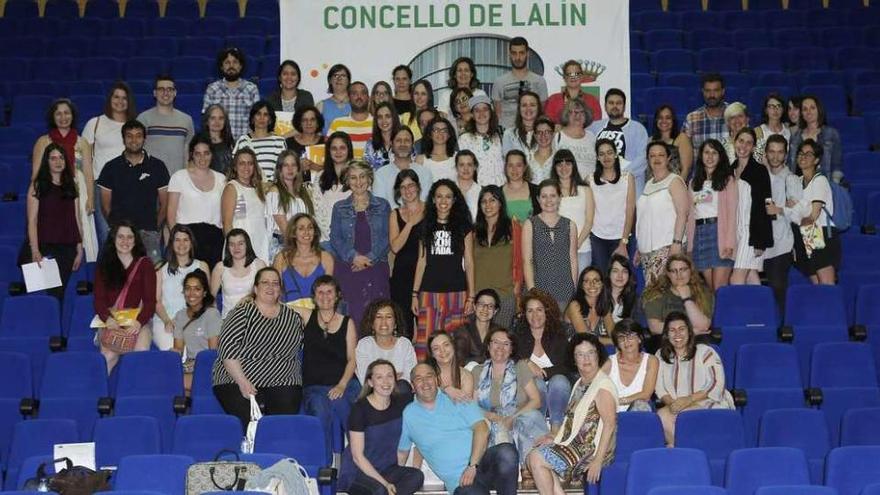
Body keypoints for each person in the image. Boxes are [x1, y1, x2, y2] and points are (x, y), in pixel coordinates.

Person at [398, 363, 518, 495]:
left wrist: (472, 466)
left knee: (507, 452)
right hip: (460, 481)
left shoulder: (456, 398)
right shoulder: (408, 415)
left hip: (480, 464)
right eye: (419, 378)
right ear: (412, 385)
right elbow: (403, 452)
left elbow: (482, 429)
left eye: (429, 376)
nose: (425, 382)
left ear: (437, 380)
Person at [212, 267, 305, 429]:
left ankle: (276, 451)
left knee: (281, 422)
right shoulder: (241, 313)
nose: (270, 287)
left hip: (282, 379)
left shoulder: (293, 317)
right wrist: (242, 382)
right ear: (256, 288)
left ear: (280, 289)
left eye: (275, 283)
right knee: (250, 421)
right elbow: (227, 350)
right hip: (237, 377)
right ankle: (251, 451)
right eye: (265, 282)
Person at [528, 333, 617, 491]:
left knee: (537, 459)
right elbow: (572, 422)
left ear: (598, 356)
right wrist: (554, 438)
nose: (586, 359)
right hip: (574, 444)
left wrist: (597, 460)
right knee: (533, 455)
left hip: (589, 449)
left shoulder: (602, 385)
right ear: (574, 360)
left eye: (591, 353)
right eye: (580, 355)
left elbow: (610, 425)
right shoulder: (580, 383)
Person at [471, 327, 548, 487]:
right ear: (488, 346)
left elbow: (536, 400)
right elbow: (472, 406)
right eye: (496, 342)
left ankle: (529, 463)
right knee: (496, 427)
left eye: (506, 344)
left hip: (517, 418)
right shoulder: (478, 371)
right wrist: (494, 417)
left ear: (512, 349)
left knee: (532, 416)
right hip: (491, 420)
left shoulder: (520, 367)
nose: (500, 347)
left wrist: (512, 417)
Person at [412, 179, 475, 361]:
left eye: (448, 197)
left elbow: (469, 262)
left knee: (455, 343)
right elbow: (421, 261)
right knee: (426, 343)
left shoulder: (464, 226)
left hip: (457, 293)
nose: (443, 201)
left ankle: (454, 384)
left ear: (454, 200)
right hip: (429, 293)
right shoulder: (425, 227)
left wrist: (471, 296)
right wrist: (414, 294)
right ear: (433, 199)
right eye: (439, 196)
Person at [339, 359, 424, 495]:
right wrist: (385, 483)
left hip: (387, 469)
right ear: (370, 382)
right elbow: (357, 457)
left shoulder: (401, 402)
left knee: (416, 476)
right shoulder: (359, 410)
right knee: (380, 490)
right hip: (358, 473)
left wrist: (449, 390)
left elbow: (427, 393)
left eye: (389, 376)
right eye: (379, 377)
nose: (386, 382)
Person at [297, 274, 360, 453]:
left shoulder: (347, 323)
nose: (325, 296)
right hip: (315, 386)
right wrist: (249, 298)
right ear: (314, 297)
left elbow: (352, 359)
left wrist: (341, 385)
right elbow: (275, 305)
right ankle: (324, 468)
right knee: (319, 410)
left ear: (338, 295)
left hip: (345, 383)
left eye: (329, 292)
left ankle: (357, 461)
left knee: (347, 409)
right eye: (320, 292)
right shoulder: (306, 316)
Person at [31, 99, 97, 262]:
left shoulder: (82, 142)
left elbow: (88, 172)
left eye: (67, 113)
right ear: (52, 117)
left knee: (79, 227)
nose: (63, 117)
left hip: (77, 190)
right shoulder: (43, 141)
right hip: (51, 190)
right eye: (58, 113)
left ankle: (80, 264)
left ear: (72, 116)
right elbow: (36, 172)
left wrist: (90, 198)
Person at [655, 312, 734, 446]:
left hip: (706, 403)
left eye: (682, 329)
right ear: (666, 335)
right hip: (676, 406)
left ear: (689, 332)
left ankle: (685, 450)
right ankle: (683, 450)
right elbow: (659, 388)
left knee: (685, 416)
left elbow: (716, 384)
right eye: (672, 330)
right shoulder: (660, 356)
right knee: (661, 415)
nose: (677, 334)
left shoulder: (705, 352)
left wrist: (689, 400)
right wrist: (672, 404)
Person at [97, 119, 169, 263]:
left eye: (138, 135)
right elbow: (105, 205)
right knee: (117, 279)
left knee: (152, 279)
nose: (134, 140)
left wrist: (154, 227)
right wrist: (116, 227)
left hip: (148, 234)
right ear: (123, 139)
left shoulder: (157, 166)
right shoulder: (110, 167)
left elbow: (165, 203)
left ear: (144, 138)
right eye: (129, 136)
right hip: (120, 235)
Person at [331, 161, 391, 326]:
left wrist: (368, 259)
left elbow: (388, 237)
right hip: (349, 269)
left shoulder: (383, 205)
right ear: (347, 181)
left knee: (378, 318)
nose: (358, 182)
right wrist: (354, 257)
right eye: (353, 178)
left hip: (376, 267)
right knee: (351, 319)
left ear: (369, 178)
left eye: (362, 176)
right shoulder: (339, 207)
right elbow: (335, 238)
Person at [94, 221, 156, 372]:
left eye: (129, 237)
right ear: (113, 240)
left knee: (140, 353)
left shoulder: (145, 264)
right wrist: (108, 319)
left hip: (137, 320)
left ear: (135, 241)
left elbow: (150, 302)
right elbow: (99, 300)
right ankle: (103, 394)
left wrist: (139, 322)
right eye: (120, 237)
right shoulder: (103, 265)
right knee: (108, 355)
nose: (125, 241)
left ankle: (134, 393)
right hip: (111, 320)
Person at [25, 143, 84, 301]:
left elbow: (76, 218)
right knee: (47, 296)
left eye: (61, 157)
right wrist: (35, 250)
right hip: (45, 247)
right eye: (53, 158)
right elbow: (32, 221)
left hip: (67, 247)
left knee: (60, 294)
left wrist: (79, 247)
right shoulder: (37, 186)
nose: (58, 161)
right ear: (47, 162)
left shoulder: (72, 185)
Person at [83, 82, 137, 243]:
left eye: (124, 98)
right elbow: (83, 159)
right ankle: (105, 269)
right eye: (116, 97)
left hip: (130, 186)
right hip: (101, 186)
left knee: (128, 238)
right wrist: (89, 193)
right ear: (109, 99)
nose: (120, 101)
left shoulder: (134, 126)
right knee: (106, 236)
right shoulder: (95, 123)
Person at [780, 138, 839, 284]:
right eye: (800, 153)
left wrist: (796, 208)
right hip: (804, 233)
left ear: (817, 160)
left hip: (820, 232)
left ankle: (832, 307)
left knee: (826, 284)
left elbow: (813, 214)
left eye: (808, 154)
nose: (803, 157)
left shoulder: (819, 180)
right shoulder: (796, 181)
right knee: (815, 282)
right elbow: (792, 214)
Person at [514, 289, 573, 435]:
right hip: (530, 390)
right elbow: (510, 359)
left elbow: (567, 365)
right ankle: (538, 429)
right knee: (536, 383)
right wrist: (526, 362)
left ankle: (555, 429)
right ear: (524, 314)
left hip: (558, 386)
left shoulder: (559, 333)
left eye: (539, 310)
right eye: (530, 311)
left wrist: (543, 373)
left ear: (546, 311)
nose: (535, 315)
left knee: (559, 380)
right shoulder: (518, 334)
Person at [167, 134, 226, 268]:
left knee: (210, 284)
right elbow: (170, 215)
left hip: (214, 240)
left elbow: (225, 215)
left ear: (212, 154)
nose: (202, 158)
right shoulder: (179, 177)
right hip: (187, 239)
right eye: (198, 153)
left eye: (206, 153)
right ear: (192, 155)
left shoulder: (222, 179)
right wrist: (177, 242)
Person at [636, 142, 690, 285]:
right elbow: (644, 218)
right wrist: (639, 248)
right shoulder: (648, 184)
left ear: (668, 158)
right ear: (647, 159)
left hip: (667, 248)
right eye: (652, 155)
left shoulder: (675, 181)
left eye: (661, 155)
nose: (656, 158)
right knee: (654, 295)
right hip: (647, 251)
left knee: (663, 294)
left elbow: (683, 214)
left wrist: (677, 244)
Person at [687, 139, 738, 290]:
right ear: (701, 156)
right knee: (712, 290)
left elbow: (732, 214)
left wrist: (729, 243)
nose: (710, 156)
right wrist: (690, 246)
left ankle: (726, 314)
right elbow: (690, 217)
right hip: (700, 236)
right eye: (706, 152)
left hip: (719, 234)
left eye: (714, 153)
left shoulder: (728, 180)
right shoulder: (693, 183)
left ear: (720, 156)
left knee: (719, 289)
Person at [152, 224, 210, 350]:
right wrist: (167, 320)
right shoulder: (161, 269)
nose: (181, 244)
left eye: (185, 240)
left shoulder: (202, 266)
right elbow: (156, 301)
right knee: (176, 352)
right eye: (177, 240)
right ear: (171, 243)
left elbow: (207, 299)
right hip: (166, 321)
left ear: (191, 243)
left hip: (195, 319)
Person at [523, 180, 577, 311]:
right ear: (538, 199)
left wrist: (574, 288)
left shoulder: (570, 225)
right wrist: (532, 291)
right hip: (539, 288)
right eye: (544, 196)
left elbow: (573, 259)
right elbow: (527, 260)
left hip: (564, 288)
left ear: (559, 197)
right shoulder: (530, 224)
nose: (548, 200)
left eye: (553, 195)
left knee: (563, 329)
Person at [473, 186, 523, 328]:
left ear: (500, 203)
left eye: (492, 200)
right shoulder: (474, 231)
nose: (488, 205)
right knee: (479, 343)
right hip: (479, 296)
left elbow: (521, 260)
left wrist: (517, 289)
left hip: (505, 295)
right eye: (484, 201)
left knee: (501, 341)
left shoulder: (513, 228)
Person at [730, 128, 774, 286]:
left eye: (749, 143)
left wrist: (760, 241)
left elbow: (766, 206)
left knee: (736, 280)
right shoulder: (730, 170)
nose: (744, 146)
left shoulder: (760, 171)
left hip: (752, 232)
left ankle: (736, 311)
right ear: (734, 142)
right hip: (736, 231)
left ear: (754, 147)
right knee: (751, 277)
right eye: (741, 141)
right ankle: (764, 309)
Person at [762, 135, 800, 312]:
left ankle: (782, 329)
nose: (775, 156)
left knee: (777, 288)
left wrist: (781, 209)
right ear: (766, 153)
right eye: (772, 152)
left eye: (779, 152)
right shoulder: (760, 177)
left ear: (785, 155)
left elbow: (800, 214)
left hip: (782, 243)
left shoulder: (791, 179)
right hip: (759, 241)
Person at [587, 88, 648, 196]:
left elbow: (642, 159)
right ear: (605, 106)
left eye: (618, 103)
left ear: (624, 106)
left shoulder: (638, 129)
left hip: (628, 187)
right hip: (601, 187)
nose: (615, 106)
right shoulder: (594, 128)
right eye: (611, 103)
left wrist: (617, 175)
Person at [388, 169, 425, 338]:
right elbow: (395, 247)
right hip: (401, 277)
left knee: (426, 327)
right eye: (403, 187)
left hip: (426, 274)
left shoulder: (430, 210)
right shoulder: (395, 214)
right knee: (405, 330)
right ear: (398, 191)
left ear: (418, 187)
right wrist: (410, 223)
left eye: (411, 185)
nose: (407, 190)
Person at [590, 139, 635, 273]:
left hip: (621, 237)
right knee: (601, 277)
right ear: (597, 157)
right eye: (602, 154)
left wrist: (624, 241)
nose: (606, 157)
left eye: (610, 153)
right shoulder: (590, 180)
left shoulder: (627, 178)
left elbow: (630, 210)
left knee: (620, 277)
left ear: (616, 154)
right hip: (598, 238)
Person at [642, 254, 714, 337]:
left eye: (683, 270)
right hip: (666, 341)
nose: (679, 275)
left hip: (697, 341)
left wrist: (687, 298)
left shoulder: (703, 292)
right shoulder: (656, 294)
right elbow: (655, 327)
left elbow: (703, 326)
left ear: (690, 271)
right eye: (673, 271)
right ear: (668, 274)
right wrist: (690, 331)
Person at [172, 269, 220, 392]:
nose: (191, 293)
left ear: (204, 293)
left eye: (197, 289)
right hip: (189, 367)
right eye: (188, 288)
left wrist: (193, 365)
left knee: (172, 382)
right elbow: (178, 350)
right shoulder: (180, 316)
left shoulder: (212, 314)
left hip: (208, 366)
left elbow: (213, 354)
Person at [138, 74, 194, 176]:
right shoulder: (143, 119)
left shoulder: (186, 120)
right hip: (151, 179)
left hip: (178, 180)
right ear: (155, 93)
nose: (165, 93)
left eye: (169, 89)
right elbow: (137, 151)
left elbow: (188, 152)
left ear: (175, 93)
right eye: (161, 89)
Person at [356, 300, 418, 390]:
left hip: (400, 393)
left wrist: (380, 377)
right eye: (378, 317)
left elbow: (409, 378)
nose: (383, 322)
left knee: (403, 387)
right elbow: (365, 379)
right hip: (373, 394)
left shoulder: (405, 344)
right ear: (372, 324)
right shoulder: (364, 345)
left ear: (395, 324)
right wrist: (395, 376)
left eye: (388, 317)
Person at [273, 213, 334, 305]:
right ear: (293, 233)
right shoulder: (281, 258)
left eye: (310, 228)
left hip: (317, 314)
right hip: (289, 314)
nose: (307, 232)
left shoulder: (326, 257)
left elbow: (329, 295)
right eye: (301, 228)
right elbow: (275, 292)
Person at [221, 148, 269, 262]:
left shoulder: (258, 190)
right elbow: (227, 224)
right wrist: (235, 248)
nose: (246, 167)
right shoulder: (232, 187)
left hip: (259, 242)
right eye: (242, 163)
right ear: (235, 167)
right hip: (240, 247)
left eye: (250, 163)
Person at [201, 47, 260, 139]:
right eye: (227, 63)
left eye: (235, 62)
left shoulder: (251, 89)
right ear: (221, 67)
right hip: (219, 145)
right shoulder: (212, 89)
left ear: (240, 66)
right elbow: (206, 120)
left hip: (245, 145)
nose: (231, 66)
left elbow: (257, 120)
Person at [552, 149, 595, 274]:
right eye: (560, 164)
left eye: (568, 163)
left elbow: (589, 222)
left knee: (580, 290)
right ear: (555, 167)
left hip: (582, 249)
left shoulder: (585, 190)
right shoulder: (550, 191)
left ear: (573, 166)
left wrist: (576, 245)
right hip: (557, 250)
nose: (563, 167)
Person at [491, 36, 548, 130]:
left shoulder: (539, 81)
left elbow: (541, 112)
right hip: (507, 133)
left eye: (521, 53)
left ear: (527, 54)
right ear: (509, 54)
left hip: (532, 132)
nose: (518, 57)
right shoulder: (499, 82)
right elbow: (498, 114)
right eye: (514, 53)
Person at [266, 150, 313, 261]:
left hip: (303, 243)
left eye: (293, 165)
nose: (290, 169)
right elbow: (284, 228)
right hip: (284, 245)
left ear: (298, 169)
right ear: (280, 169)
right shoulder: (274, 192)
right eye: (286, 165)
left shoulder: (303, 192)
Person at [602, 319, 658, 412]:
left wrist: (621, 401)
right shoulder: (609, 362)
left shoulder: (651, 361)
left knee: (641, 405)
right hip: (610, 411)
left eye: (630, 336)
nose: (626, 341)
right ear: (617, 344)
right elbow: (594, 386)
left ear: (639, 338)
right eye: (621, 338)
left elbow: (646, 394)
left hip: (637, 410)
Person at [211, 229, 266, 318]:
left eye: (240, 244)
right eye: (232, 244)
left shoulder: (259, 265)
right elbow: (211, 299)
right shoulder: (220, 267)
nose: (236, 248)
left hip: (255, 319)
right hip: (228, 321)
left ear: (247, 245)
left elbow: (266, 294)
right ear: (227, 247)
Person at [788, 95, 843, 181]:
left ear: (819, 110)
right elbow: (791, 166)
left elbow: (837, 166)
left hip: (825, 184)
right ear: (802, 114)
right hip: (799, 186)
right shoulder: (795, 137)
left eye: (812, 108)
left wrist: (832, 188)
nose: (808, 112)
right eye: (805, 109)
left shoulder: (831, 134)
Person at [374, 127, 432, 206]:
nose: (403, 144)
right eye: (398, 140)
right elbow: (381, 207)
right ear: (391, 143)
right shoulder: (381, 174)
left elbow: (425, 205)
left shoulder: (425, 173)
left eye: (407, 140)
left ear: (412, 144)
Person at [313, 132, 353, 243]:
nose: (338, 152)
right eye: (334, 148)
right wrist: (330, 238)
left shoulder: (357, 176)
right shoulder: (320, 177)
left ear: (348, 150)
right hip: (325, 241)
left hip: (352, 239)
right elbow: (316, 212)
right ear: (329, 151)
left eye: (342, 148)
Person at [232, 101, 287, 181]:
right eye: (258, 114)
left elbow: (283, 168)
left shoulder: (280, 142)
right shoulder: (243, 141)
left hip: (273, 190)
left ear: (270, 119)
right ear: (252, 118)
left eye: (265, 115)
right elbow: (235, 167)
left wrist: (269, 186)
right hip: (249, 188)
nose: (262, 118)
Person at [457, 95, 505, 187]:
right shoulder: (464, 139)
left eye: (485, 109)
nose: (481, 113)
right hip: (476, 189)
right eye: (477, 110)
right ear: (472, 115)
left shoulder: (500, 136)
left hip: (500, 187)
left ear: (490, 113)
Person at [544, 59, 602, 127]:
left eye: (576, 74)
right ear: (564, 77)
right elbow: (547, 124)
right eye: (569, 74)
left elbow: (596, 125)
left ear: (581, 77)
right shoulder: (553, 100)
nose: (573, 77)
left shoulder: (592, 100)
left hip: (585, 136)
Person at [454, 289, 504, 368]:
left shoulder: (500, 332)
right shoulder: (463, 331)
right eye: (481, 304)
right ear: (474, 306)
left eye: (490, 306)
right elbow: (459, 361)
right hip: (468, 374)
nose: (485, 309)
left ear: (495, 311)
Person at [565, 267, 614, 345]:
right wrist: (613, 341)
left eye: (596, 280)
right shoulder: (574, 306)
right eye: (587, 281)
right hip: (571, 352)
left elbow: (613, 333)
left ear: (602, 284)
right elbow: (586, 338)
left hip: (594, 353)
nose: (592, 284)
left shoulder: (604, 305)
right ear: (582, 285)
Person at [681, 73, 729, 151]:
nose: (711, 95)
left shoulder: (735, 115)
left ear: (723, 91)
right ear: (703, 91)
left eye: (716, 90)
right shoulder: (692, 119)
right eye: (708, 91)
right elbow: (684, 151)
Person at [554, 98, 597, 179]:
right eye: (573, 112)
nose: (577, 115)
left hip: (590, 187)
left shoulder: (592, 137)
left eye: (581, 112)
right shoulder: (557, 136)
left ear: (586, 115)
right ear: (566, 115)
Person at [328, 81, 374, 156]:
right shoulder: (337, 123)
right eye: (355, 93)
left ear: (368, 97)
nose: (359, 97)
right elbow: (328, 151)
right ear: (349, 98)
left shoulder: (377, 123)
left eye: (363, 93)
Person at [427, 331, 474, 402]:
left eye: (446, 345)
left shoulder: (466, 376)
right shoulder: (426, 375)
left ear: (453, 346)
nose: (442, 350)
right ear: (432, 354)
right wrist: (445, 390)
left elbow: (465, 407)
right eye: (436, 348)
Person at [651, 105, 693, 180]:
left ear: (673, 120)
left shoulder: (682, 138)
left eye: (668, 118)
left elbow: (686, 169)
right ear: (656, 120)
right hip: (655, 187)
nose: (664, 121)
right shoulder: (651, 141)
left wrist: (678, 188)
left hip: (675, 186)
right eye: (660, 118)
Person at [501, 149, 540, 223]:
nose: (514, 169)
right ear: (506, 168)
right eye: (510, 165)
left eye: (518, 165)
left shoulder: (536, 190)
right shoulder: (498, 192)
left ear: (525, 167)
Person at [284, 106, 325, 175]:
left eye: (312, 120)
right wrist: (297, 167)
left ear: (318, 123)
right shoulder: (288, 143)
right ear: (299, 123)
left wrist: (317, 167)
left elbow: (333, 169)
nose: (309, 123)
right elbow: (281, 169)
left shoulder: (326, 142)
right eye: (304, 120)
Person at [416, 116, 458, 183]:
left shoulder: (457, 157)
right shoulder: (420, 159)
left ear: (449, 135)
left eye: (444, 130)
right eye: (436, 130)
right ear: (430, 134)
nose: (440, 133)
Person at [753, 93, 791, 165]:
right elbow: (756, 159)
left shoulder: (789, 131)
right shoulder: (758, 132)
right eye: (771, 106)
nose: (775, 109)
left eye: (778, 106)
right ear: (766, 110)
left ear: (783, 109)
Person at [502, 91, 542, 156]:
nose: (528, 108)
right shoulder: (509, 134)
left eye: (532, 105)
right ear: (519, 109)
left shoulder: (546, 133)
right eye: (524, 105)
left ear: (538, 108)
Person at [316, 63, 352, 135]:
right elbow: (316, 133)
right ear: (330, 80)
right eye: (335, 75)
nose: (339, 78)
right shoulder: (321, 105)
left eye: (343, 76)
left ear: (348, 81)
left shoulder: (357, 103)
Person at [363, 101, 400, 170]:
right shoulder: (370, 144)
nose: (384, 121)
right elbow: (366, 172)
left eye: (387, 116)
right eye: (380, 117)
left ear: (394, 118)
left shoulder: (404, 140)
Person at [198, 104, 234, 174]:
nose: (217, 122)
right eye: (213, 118)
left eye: (221, 118)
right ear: (207, 121)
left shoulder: (231, 143)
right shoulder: (198, 143)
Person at [608, 254, 639, 323]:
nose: (620, 275)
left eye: (624, 271)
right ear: (609, 274)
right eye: (615, 271)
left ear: (629, 275)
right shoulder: (600, 296)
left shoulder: (634, 300)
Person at [527, 116, 556, 185]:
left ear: (553, 134)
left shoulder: (558, 158)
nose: (543, 135)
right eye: (539, 132)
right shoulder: (527, 158)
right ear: (534, 135)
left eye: (547, 132)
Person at [455, 150, 480, 221]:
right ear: (456, 167)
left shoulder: (481, 191)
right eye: (461, 165)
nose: (465, 168)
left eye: (469, 164)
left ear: (475, 167)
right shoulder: (448, 190)